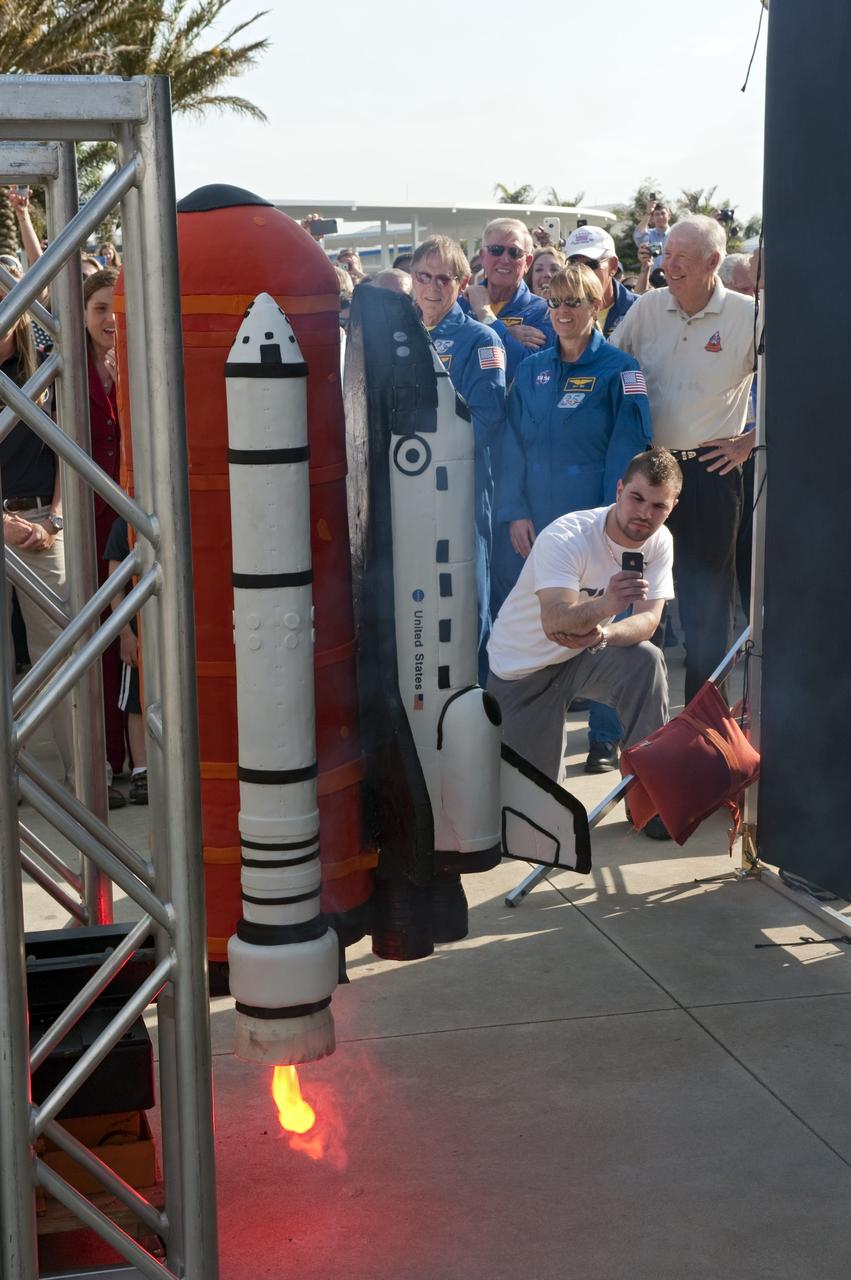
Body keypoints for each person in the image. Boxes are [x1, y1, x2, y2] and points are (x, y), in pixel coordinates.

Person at [492, 264, 653, 772]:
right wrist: (516, 511)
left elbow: (627, 458)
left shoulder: (621, 370)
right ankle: (540, 746)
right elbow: (510, 446)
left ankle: (606, 740)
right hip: (536, 526)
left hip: (593, 528)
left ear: (596, 306)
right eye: (554, 303)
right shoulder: (533, 371)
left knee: (604, 626)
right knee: (544, 625)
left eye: (574, 303)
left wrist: (609, 527)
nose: (562, 313)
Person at [487, 448, 681, 838]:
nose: (644, 513)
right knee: (536, 824)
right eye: (637, 498)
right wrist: (607, 604)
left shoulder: (658, 542)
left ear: (672, 506)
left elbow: (648, 619)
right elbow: (554, 620)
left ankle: (648, 800)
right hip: (522, 671)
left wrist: (605, 634)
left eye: (658, 505)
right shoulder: (567, 535)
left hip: (582, 654)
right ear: (619, 488)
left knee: (646, 661)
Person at [610, 214, 756, 702]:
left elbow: (800, 384)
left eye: (682, 259)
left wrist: (751, 438)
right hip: (651, 474)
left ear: (714, 262)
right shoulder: (648, 308)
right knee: (633, 601)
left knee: (707, 612)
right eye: (667, 254)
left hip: (712, 474)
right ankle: (638, 724)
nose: (668, 266)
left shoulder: (747, 315)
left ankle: (700, 726)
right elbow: (610, 367)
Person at [410, 235, 507, 679]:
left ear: (463, 283)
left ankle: (474, 699)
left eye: (443, 279)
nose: (432, 288)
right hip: (410, 488)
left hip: (461, 487)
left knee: (468, 598)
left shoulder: (479, 339)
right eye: (423, 277)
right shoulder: (403, 337)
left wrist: (429, 452)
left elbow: (486, 421)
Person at [0, 263, 74, 786]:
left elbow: (71, 454)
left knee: (62, 655)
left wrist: (57, 517)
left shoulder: (46, 371)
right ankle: (10, 780)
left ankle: (79, 778)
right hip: (8, 520)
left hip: (40, 525)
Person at [84, 267, 126, 802]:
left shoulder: (141, 363)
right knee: (98, 640)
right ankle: (108, 759)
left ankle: (134, 760)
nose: (111, 320)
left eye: (118, 309)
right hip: (89, 517)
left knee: (130, 636)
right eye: (100, 309)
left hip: (130, 516)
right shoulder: (68, 369)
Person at [461, 218, 549, 379]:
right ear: (482, 256)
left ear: (527, 262)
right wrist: (507, 335)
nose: (505, 259)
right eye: (496, 250)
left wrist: (486, 317)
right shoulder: (461, 304)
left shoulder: (543, 311)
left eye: (514, 252)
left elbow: (527, 371)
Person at [105, 517, 148, 805]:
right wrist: (125, 634)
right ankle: (141, 770)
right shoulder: (123, 524)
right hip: (139, 627)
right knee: (135, 701)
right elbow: (114, 585)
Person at [562, 226, 637, 338]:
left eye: (590, 264)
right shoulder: (555, 312)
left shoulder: (639, 309)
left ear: (613, 266)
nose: (581, 272)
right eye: (573, 264)